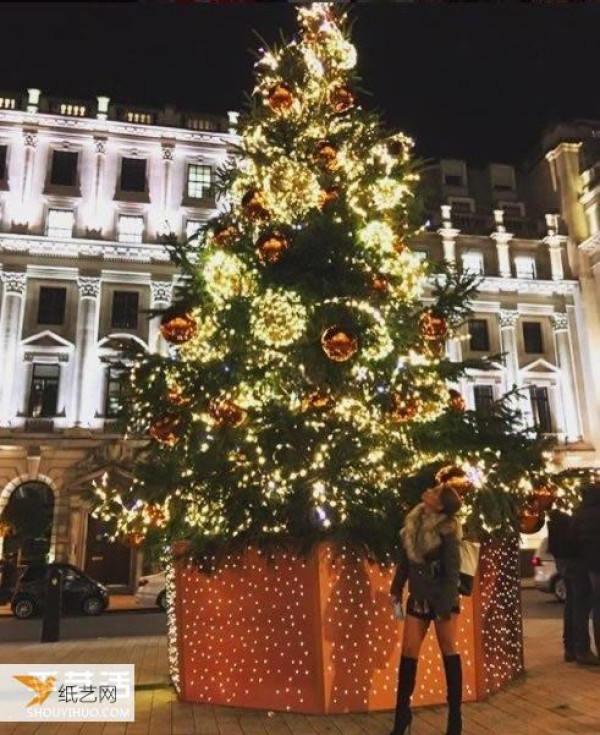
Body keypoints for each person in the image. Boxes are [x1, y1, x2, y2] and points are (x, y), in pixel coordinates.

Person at [389, 480, 463, 735]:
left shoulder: (447, 528)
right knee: (409, 652)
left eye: (434, 492)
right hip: (418, 596)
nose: (428, 491)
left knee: (449, 650)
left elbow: (453, 569)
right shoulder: (415, 518)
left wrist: (444, 606)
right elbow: (406, 559)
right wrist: (397, 587)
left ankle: (455, 720)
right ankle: (401, 718)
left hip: (442, 597)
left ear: (440, 504)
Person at [547, 509, 596, 665]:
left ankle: (571, 648)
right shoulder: (579, 506)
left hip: (563, 557)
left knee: (573, 603)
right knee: (580, 604)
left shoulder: (566, 509)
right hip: (576, 558)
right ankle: (581, 649)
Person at [570, 480, 600, 665]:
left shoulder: (579, 512)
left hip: (586, 565)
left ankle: (582, 649)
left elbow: (572, 538)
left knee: (584, 607)